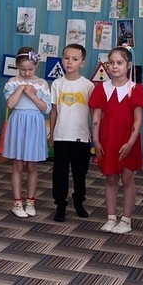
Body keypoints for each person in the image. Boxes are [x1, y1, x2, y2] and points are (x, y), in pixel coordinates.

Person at [89, 45, 143, 235]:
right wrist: (96, 140)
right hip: (107, 140)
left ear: (128, 65)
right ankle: (111, 217)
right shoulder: (101, 89)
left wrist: (130, 143)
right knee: (111, 178)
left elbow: (138, 120)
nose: (115, 66)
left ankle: (126, 219)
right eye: (111, 62)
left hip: (128, 141)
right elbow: (96, 117)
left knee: (127, 178)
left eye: (119, 63)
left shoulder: (135, 89)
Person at [3, 47, 51, 218]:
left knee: (32, 165)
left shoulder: (42, 84)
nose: (27, 73)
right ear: (17, 66)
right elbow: (10, 104)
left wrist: (32, 95)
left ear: (36, 66)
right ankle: (17, 202)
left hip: (35, 124)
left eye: (30, 69)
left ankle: (30, 201)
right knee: (17, 165)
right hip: (18, 122)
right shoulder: (12, 82)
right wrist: (19, 89)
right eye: (23, 69)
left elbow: (46, 108)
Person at [49, 43, 95, 221]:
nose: (69, 62)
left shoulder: (88, 86)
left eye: (75, 59)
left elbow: (93, 113)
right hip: (61, 136)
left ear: (82, 62)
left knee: (80, 173)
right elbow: (54, 111)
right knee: (59, 173)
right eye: (66, 58)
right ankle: (60, 204)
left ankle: (78, 201)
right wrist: (51, 133)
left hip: (81, 137)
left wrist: (95, 135)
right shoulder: (57, 84)